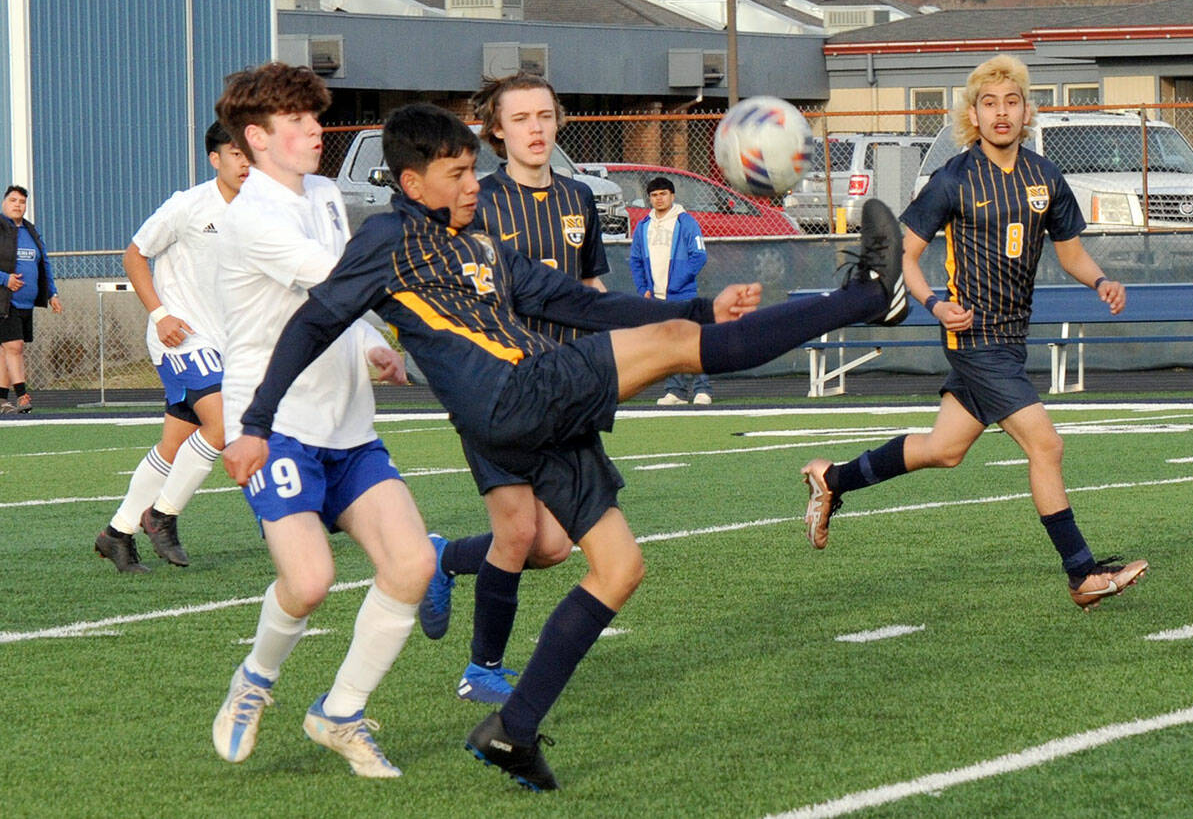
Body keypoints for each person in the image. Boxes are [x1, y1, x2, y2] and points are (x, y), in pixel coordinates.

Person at [221, 101, 907, 791]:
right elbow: (314, 321)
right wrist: (255, 423)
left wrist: (699, 310)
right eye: (455, 174)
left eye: (472, 171)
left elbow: (576, 304)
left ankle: (512, 733)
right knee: (676, 353)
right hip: (514, 394)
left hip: (531, 405)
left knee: (618, 568)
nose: (470, 185)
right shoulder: (387, 240)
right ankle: (868, 295)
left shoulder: (480, 241)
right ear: (410, 184)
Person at [800, 54, 1147, 612]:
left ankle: (833, 480)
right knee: (1046, 444)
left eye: (1012, 102)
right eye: (990, 104)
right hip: (974, 336)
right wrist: (935, 304)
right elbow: (905, 256)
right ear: (975, 115)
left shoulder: (1046, 178)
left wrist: (1101, 280)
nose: (1002, 113)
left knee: (945, 450)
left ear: (1026, 110)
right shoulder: (953, 179)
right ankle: (1081, 573)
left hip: (1010, 338)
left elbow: (1073, 253)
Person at [208, 62, 434, 779]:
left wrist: (373, 346)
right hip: (273, 424)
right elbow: (338, 279)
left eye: (315, 116)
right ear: (258, 137)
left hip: (348, 423)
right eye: (298, 122)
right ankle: (255, 679)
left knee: (414, 563)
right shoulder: (250, 217)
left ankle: (340, 713)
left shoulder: (326, 193)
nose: (315, 131)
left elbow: (341, 302)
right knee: (308, 583)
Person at [417, 73, 613, 707]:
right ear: (496, 130)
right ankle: (482, 670)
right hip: (497, 391)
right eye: (521, 118)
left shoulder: (579, 197)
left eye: (546, 116)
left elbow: (593, 294)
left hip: (566, 390)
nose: (536, 128)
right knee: (517, 531)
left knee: (552, 545)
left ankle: (443, 559)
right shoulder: (478, 200)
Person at [93, 123, 250, 573]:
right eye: (234, 154)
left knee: (173, 444)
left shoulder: (261, 210)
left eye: (248, 154)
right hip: (181, 337)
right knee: (221, 424)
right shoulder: (188, 206)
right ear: (214, 159)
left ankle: (117, 534)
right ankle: (162, 517)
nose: (244, 163)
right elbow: (134, 255)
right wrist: (161, 316)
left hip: (225, 340)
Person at [628, 175, 712, 405]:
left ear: (672, 196)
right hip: (656, 297)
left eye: (663, 194)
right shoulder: (644, 226)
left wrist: (677, 283)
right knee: (668, 345)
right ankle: (675, 391)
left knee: (691, 342)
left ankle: (702, 390)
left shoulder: (686, 223)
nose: (659, 199)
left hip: (682, 295)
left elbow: (698, 255)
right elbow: (635, 260)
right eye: (654, 195)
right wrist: (643, 288)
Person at [0, 185, 62, 414]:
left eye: (22, 202)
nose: (18, 205)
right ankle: (22, 396)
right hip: (5, 301)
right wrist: (5, 279)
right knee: (13, 346)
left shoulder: (31, 231)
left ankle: (1, 399)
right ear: (4, 203)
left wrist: (52, 293)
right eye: (13, 200)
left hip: (26, 302)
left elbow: (43, 262)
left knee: (8, 350)